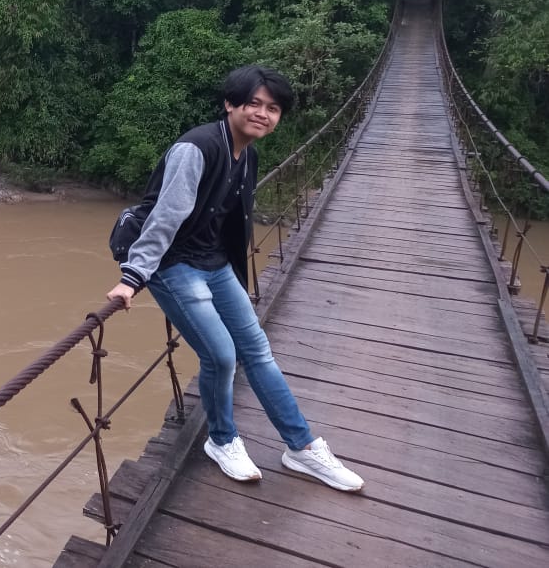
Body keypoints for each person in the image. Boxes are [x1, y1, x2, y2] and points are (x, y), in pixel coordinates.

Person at [106, 65, 364, 492]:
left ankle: (302, 448)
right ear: (230, 104)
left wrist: (232, 273)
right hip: (172, 265)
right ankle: (222, 440)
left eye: (273, 108)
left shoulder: (249, 154)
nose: (263, 113)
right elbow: (166, 217)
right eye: (254, 103)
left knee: (257, 350)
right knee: (222, 355)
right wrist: (133, 277)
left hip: (216, 263)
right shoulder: (197, 148)